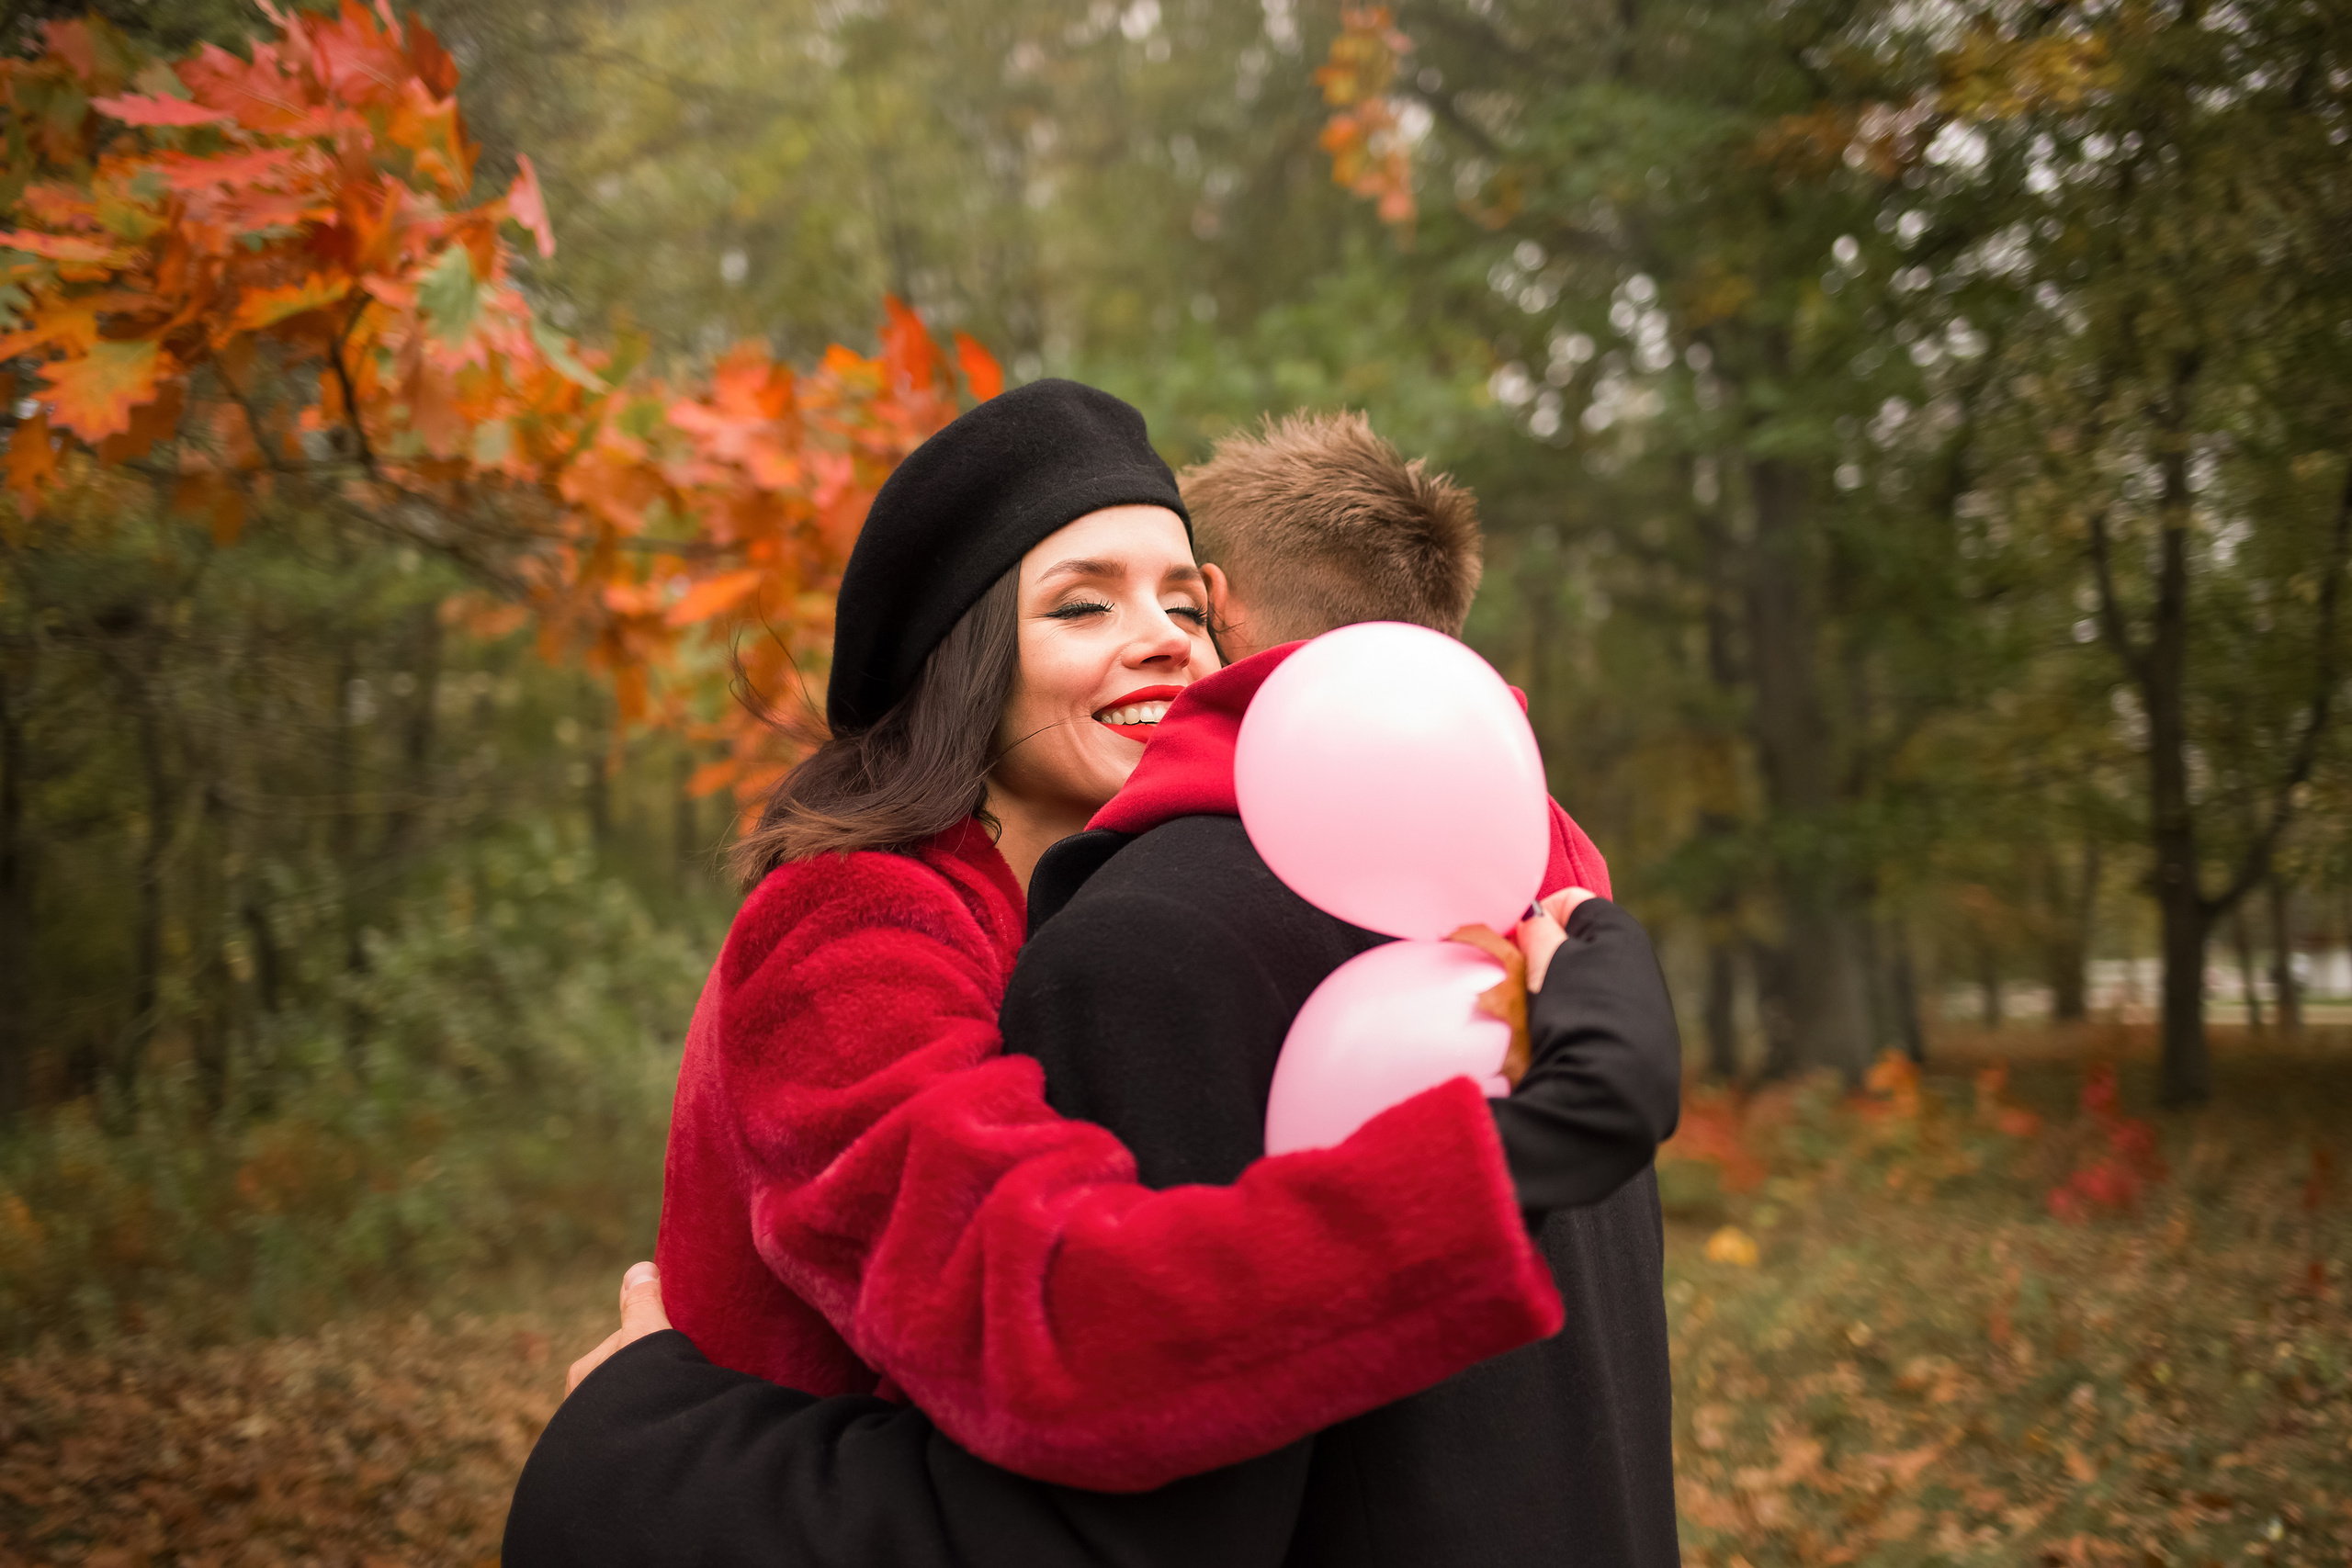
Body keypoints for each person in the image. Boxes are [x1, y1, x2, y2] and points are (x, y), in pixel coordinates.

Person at [506, 408, 1681, 1567]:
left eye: (1185, 603)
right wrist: (639, 1440)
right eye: (1084, 603)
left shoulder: (1137, 912)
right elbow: (1052, 1318)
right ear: (964, 660)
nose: (1170, 638)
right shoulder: (848, 926)